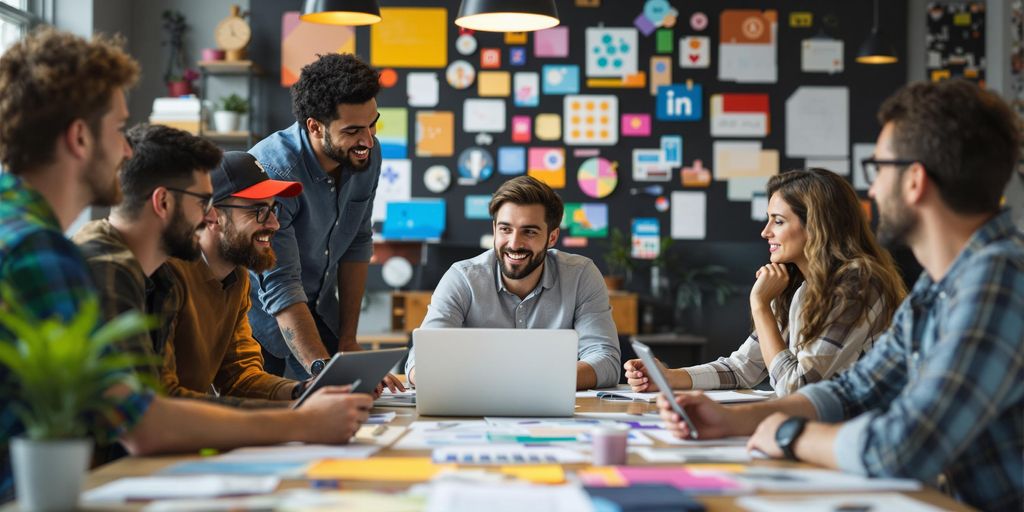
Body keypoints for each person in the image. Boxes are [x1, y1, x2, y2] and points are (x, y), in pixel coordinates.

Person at [0, 29, 370, 503]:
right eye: (117, 128)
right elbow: (140, 421)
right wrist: (303, 421)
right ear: (78, 137)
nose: (127, 151)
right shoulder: (43, 252)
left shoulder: (30, 236)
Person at [657, 79, 1023, 511]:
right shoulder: (940, 285)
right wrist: (734, 419)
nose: (873, 190)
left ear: (914, 181)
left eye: (879, 169)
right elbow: (855, 389)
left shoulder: (998, 278)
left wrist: (791, 434)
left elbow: (903, 447)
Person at [624, 169, 906, 396]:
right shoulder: (800, 287)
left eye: (778, 221)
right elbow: (742, 368)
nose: (765, 232)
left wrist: (760, 307)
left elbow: (797, 388)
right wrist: (670, 377)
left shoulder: (856, 285)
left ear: (817, 225)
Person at [247, 53, 401, 392]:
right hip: (260, 328)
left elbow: (358, 242)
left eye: (373, 124)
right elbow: (281, 283)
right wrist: (322, 369)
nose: (368, 140)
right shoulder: (273, 171)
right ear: (314, 126)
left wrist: (348, 340)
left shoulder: (366, 155)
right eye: (353, 130)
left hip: (318, 308)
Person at [405, 176, 621, 390]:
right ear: (494, 229)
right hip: (476, 409)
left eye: (529, 231)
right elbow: (422, 359)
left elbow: (605, 360)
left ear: (552, 237)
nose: (514, 244)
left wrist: (523, 383)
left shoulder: (581, 275)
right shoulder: (462, 278)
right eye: (505, 229)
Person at [162, 151, 306, 404]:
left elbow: (241, 378)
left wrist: (303, 392)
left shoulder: (237, 277)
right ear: (212, 214)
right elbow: (163, 399)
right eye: (259, 210)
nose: (274, 224)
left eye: (274, 209)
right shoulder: (166, 277)